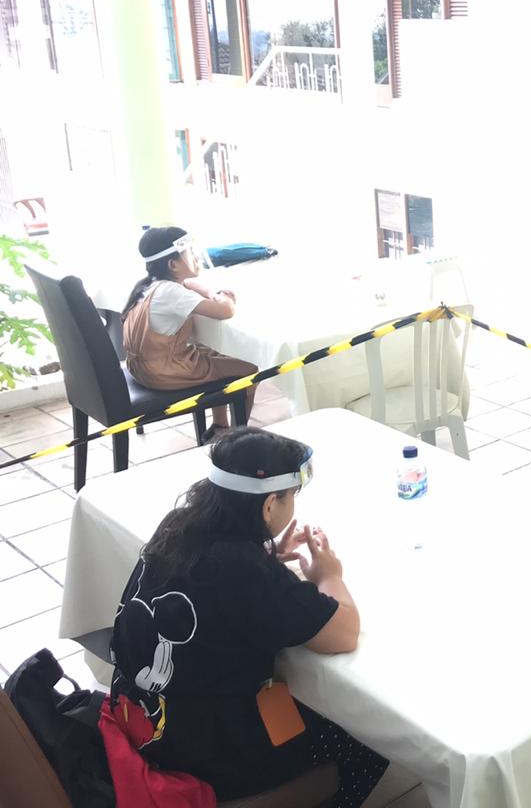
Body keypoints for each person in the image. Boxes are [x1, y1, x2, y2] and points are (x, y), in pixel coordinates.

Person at [108, 428, 387, 806]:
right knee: (367, 734)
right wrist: (329, 576)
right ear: (270, 505)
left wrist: (265, 555)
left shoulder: (176, 526)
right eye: (292, 496)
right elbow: (344, 633)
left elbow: (218, 584)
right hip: (201, 749)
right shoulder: (244, 569)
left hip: (140, 717)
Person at [122, 226, 257, 440]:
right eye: (190, 253)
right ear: (173, 264)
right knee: (249, 369)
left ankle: (220, 426)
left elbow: (189, 283)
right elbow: (225, 311)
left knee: (216, 352)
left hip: (143, 367)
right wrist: (224, 298)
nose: (196, 257)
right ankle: (236, 437)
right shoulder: (171, 293)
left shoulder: (150, 285)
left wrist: (211, 293)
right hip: (164, 371)